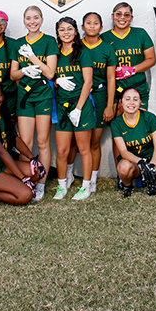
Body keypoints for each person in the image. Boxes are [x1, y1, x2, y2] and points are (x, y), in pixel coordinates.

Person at [65, 12, 117, 193]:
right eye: (88, 23)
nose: (92, 26)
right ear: (82, 27)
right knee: (72, 140)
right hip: (77, 97)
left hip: (100, 96)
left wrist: (110, 104)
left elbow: (111, 78)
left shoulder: (107, 49)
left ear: (102, 28)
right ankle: (69, 175)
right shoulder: (74, 46)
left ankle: (92, 179)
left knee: (94, 141)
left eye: (96, 23)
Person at [9, 5, 57, 202]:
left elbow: (50, 72)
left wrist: (32, 58)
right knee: (25, 143)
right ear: (24, 21)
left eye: (36, 17)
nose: (32, 21)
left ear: (42, 19)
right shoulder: (18, 43)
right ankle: (26, 181)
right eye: (28, 18)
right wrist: (24, 72)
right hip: (25, 97)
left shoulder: (49, 41)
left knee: (43, 142)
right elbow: (13, 74)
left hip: (43, 95)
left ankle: (41, 183)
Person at [51, 16, 94, 200]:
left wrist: (78, 108)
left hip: (80, 105)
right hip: (62, 106)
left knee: (84, 149)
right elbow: (48, 74)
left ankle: (86, 186)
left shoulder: (83, 52)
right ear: (57, 33)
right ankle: (62, 185)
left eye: (69, 29)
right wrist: (56, 80)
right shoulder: (55, 53)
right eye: (62, 29)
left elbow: (88, 82)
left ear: (76, 31)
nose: (66, 33)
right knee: (62, 150)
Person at [110, 86, 156, 197]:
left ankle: (149, 181)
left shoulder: (150, 118)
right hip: (133, 161)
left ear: (140, 102)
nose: (131, 102)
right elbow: (123, 152)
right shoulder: (116, 123)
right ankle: (127, 185)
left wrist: (151, 165)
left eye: (135, 99)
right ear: (121, 102)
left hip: (150, 158)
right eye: (127, 99)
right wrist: (140, 162)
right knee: (123, 168)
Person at [101, 2, 156, 111]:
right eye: (118, 14)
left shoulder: (140, 34)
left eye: (126, 15)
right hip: (115, 90)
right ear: (112, 16)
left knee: (139, 124)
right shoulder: (104, 38)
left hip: (138, 87)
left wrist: (133, 69)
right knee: (120, 125)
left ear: (131, 18)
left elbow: (151, 59)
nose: (122, 18)